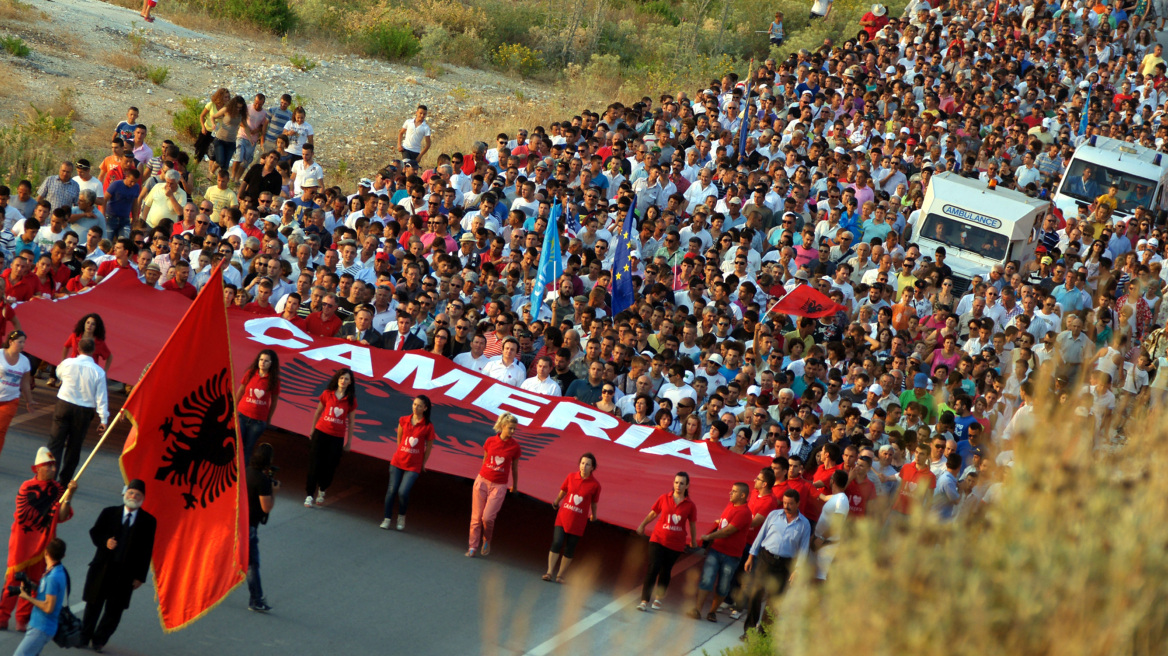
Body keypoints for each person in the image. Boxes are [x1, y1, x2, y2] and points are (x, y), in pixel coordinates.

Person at [1, 448, 76, 632]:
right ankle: (2, 616)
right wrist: (47, 514)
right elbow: (24, 514)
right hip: (23, 541)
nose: (52, 469)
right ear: (37, 469)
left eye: (53, 466)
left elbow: (61, 516)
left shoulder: (58, 490)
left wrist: (69, 496)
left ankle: (23, 619)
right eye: (48, 466)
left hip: (44, 543)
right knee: (13, 580)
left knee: (34, 582)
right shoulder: (26, 486)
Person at [81, 479, 156, 652]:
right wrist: (105, 541)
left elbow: (147, 550)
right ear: (125, 493)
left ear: (143, 498)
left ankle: (99, 640)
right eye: (131, 493)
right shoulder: (109, 513)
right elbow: (95, 533)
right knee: (94, 604)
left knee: (114, 610)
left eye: (138, 495)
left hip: (126, 574)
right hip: (103, 568)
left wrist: (140, 577)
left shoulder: (148, 521)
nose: (133, 497)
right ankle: (84, 636)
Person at [741, 489, 810, 639]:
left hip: (785, 564)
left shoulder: (804, 524)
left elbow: (804, 549)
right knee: (755, 594)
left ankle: (763, 634)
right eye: (785, 502)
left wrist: (797, 570)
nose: (787, 506)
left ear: (798, 503)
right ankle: (749, 631)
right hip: (766, 558)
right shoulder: (773, 515)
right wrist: (751, 555)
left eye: (790, 503)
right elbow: (761, 535)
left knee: (774, 601)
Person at [47, 337, 109, 483]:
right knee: (74, 447)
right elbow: (101, 397)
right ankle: (64, 481)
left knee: (55, 443)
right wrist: (103, 420)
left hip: (64, 404)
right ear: (93, 351)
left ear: (78, 349)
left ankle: (49, 479)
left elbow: (58, 374)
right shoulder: (99, 372)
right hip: (84, 410)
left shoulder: (68, 363)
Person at [689, 481, 752, 623]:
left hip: (731, 555)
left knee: (723, 585)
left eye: (734, 491)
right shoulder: (731, 505)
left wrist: (708, 537)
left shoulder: (744, 512)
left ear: (742, 495)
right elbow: (722, 526)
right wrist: (710, 544)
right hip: (716, 550)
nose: (730, 493)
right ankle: (697, 609)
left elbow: (727, 531)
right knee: (707, 579)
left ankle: (712, 612)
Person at [635, 472, 698, 612]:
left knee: (665, 570)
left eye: (682, 483)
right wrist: (642, 525)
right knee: (653, 568)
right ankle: (644, 600)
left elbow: (692, 524)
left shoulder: (690, 505)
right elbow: (653, 513)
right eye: (676, 482)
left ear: (687, 485)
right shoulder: (664, 498)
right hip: (658, 538)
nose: (678, 486)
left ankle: (658, 598)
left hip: (675, 543)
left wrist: (693, 541)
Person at [467, 412, 521, 558]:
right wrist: (481, 478)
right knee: (476, 517)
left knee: (488, 518)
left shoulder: (515, 447)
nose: (512, 431)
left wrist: (515, 485)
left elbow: (514, 468)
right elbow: (485, 460)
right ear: (502, 426)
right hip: (483, 480)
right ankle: (472, 546)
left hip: (499, 485)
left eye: (514, 429)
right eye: (510, 428)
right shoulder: (490, 441)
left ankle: (487, 539)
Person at [544, 453, 601, 583]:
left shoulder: (595, 485)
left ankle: (560, 575)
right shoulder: (571, 477)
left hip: (578, 521)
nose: (584, 466)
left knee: (570, 547)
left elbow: (594, 502)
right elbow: (563, 490)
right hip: (563, 516)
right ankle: (549, 572)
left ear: (592, 468)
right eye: (582, 463)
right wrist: (557, 501)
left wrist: (594, 515)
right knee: (557, 542)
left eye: (587, 464)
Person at [381, 395, 435, 531]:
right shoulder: (403, 420)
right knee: (392, 489)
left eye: (419, 405)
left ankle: (401, 516)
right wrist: (401, 451)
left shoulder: (428, 426)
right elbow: (399, 438)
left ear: (425, 408)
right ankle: (387, 519)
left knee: (403, 491)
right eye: (414, 404)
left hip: (413, 465)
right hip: (398, 461)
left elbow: (428, 447)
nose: (415, 407)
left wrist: (423, 463)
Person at [305, 367, 356, 509]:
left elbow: (351, 422)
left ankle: (322, 490)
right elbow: (318, 412)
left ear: (350, 382)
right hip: (321, 433)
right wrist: (312, 430)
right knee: (314, 464)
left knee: (329, 466)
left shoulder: (351, 400)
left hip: (337, 438)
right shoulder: (327, 394)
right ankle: (309, 495)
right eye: (341, 378)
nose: (343, 381)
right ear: (337, 379)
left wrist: (349, 442)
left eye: (346, 379)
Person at [12, 538, 68, 656]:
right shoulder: (57, 571)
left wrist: (27, 597)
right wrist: (32, 586)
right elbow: (49, 592)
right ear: (63, 556)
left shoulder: (53, 577)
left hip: (41, 628)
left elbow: (49, 607)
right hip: (40, 626)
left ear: (46, 552)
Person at [246, 443, 277, 613]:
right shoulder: (263, 481)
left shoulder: (245, 472)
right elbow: (266, 507)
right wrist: (274, 492)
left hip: (235, 521)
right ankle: (256, 600)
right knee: (252, 565)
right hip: (249, 527)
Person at [236, 349, 280, 467]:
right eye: (261, 359)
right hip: (242, 415)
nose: (262, 363)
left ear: (271, 363)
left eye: (266, 361)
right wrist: (234, 408)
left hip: (258, 420)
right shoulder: (250, 373)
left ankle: (242, 476)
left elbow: (274, 401)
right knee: (236, 445)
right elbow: (241, 391)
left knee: (248, 448)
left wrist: (269, 418)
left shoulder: (274, 380)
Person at [0, 330, 33, 457]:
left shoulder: (25, 361)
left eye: (24, 342)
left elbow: (25, 383)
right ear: (10, 342)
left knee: (1, 430)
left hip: (11, 400)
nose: (22, 345)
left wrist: (29, 401)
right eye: (20, 342)